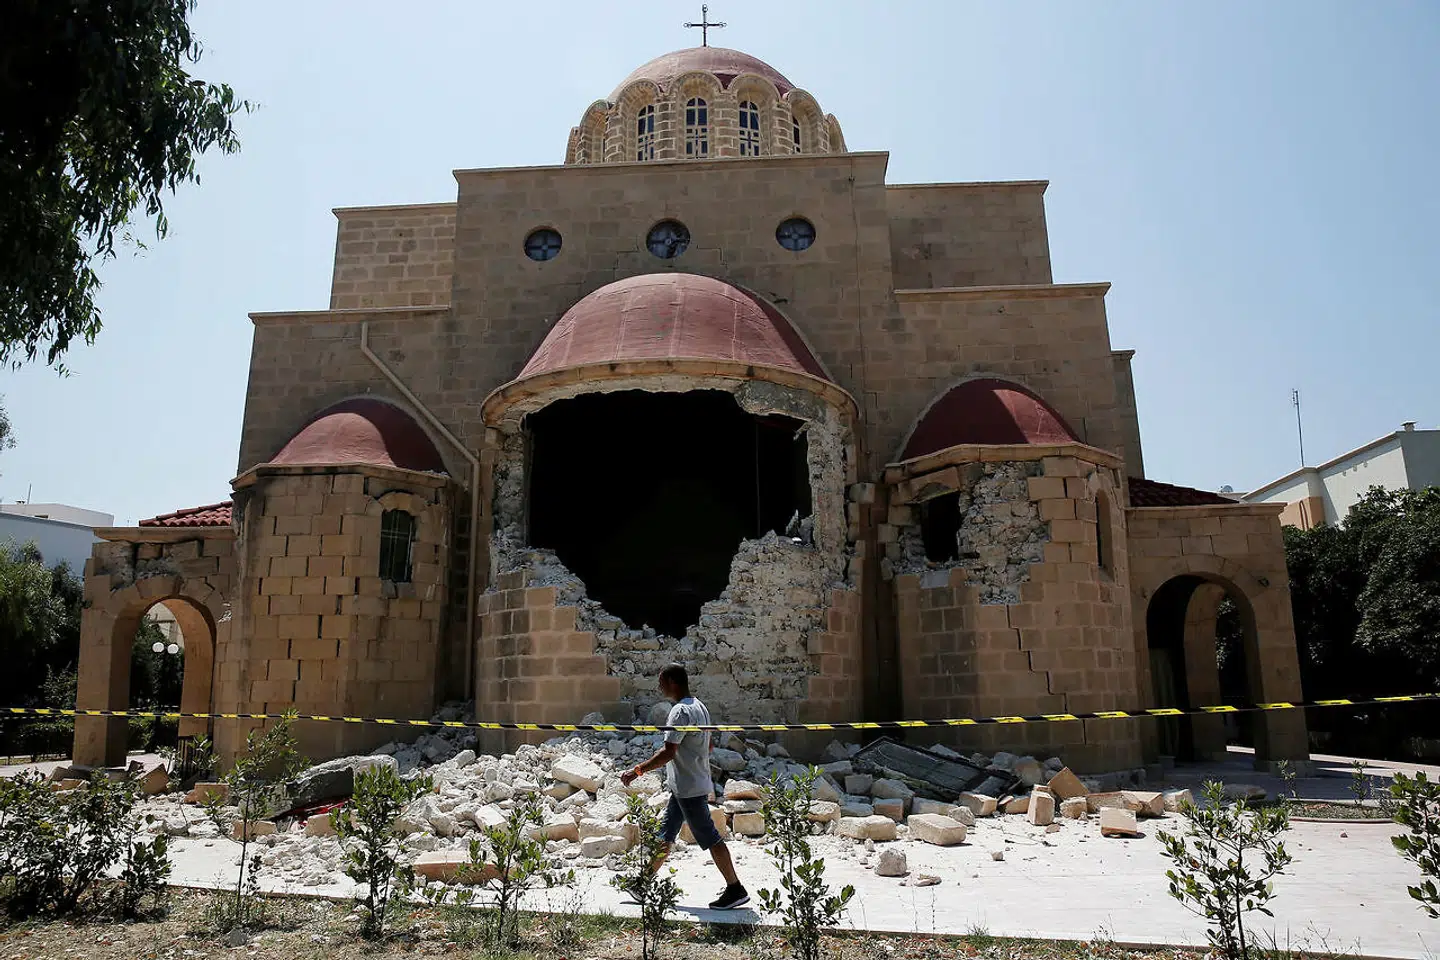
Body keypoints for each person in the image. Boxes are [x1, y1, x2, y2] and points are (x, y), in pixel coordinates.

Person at [619, 662, 749, 910]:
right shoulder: (699, 707)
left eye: (661, 682)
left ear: (672, 682)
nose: (659, 687)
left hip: (689, 788)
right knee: (665, 835)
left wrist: (637, 771)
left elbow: (668, 752)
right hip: (687, 785)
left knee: (710, 838)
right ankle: (642, 885)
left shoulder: (679, 712)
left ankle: (735, 889)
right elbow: (708, 745)